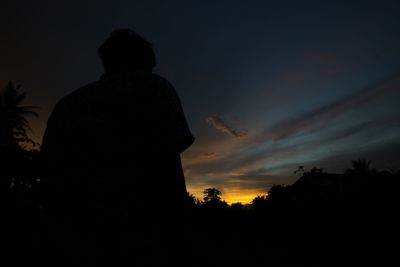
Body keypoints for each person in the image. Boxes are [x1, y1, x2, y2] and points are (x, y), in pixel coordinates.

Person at [40, 29, 194, 266]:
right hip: (145, 239)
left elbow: (50, 172)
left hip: (78, 238)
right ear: (145, 60)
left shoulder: (68, 104)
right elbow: (168, 162)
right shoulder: (155, 87)